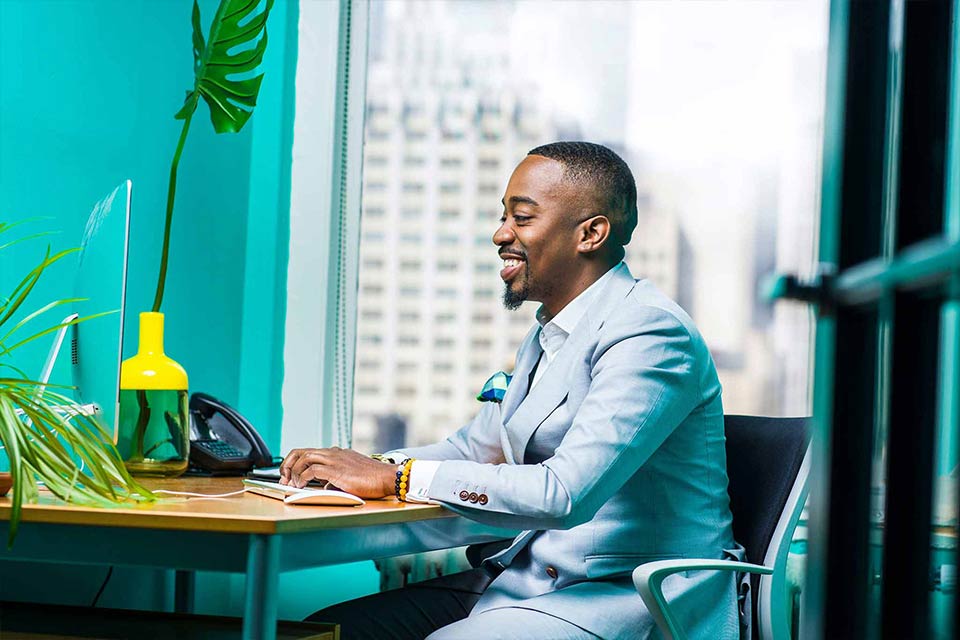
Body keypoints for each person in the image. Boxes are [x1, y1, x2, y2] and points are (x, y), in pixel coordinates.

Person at [280, 142, 741, 639]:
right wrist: (356, 471)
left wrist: (396, 479)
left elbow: (563, 494)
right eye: (504, 216)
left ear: (590, 233)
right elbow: (474, 449)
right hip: (531, 586)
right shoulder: (551, 334)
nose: (500, 234)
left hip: (630, 599)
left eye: (521, 217)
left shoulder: (649, 333)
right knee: (332, 631)